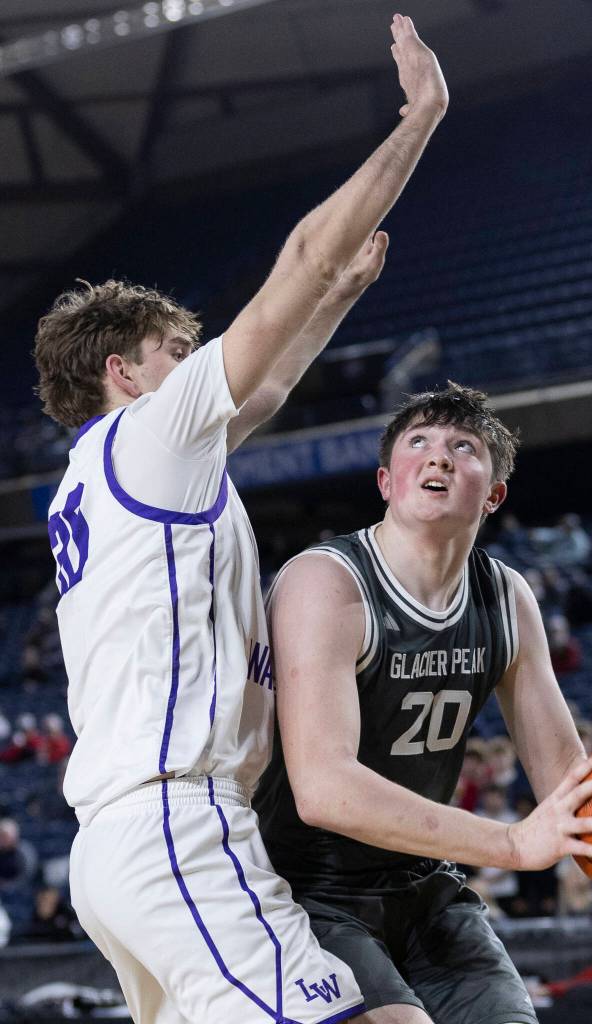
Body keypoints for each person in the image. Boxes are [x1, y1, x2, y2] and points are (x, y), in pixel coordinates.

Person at [34, 14, 449, 1023]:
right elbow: (304, 251)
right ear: (123, 373)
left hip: (121, 845)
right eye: (177, 352)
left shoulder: (97, 474)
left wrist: (335, 304)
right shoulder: (148, 431)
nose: (198, 364)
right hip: (179, 823)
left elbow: (261, 390)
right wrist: (421, 119)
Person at [254, 382, 592, 1024]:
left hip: (425, 884)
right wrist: (510, 843)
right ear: (386, 481)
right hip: (303, 886)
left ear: (495, 493)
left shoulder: (507, 597)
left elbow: (567, 785)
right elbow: (323, 788)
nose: (439, 456)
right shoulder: (326, 581)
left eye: (464, 446)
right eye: (417, 442)